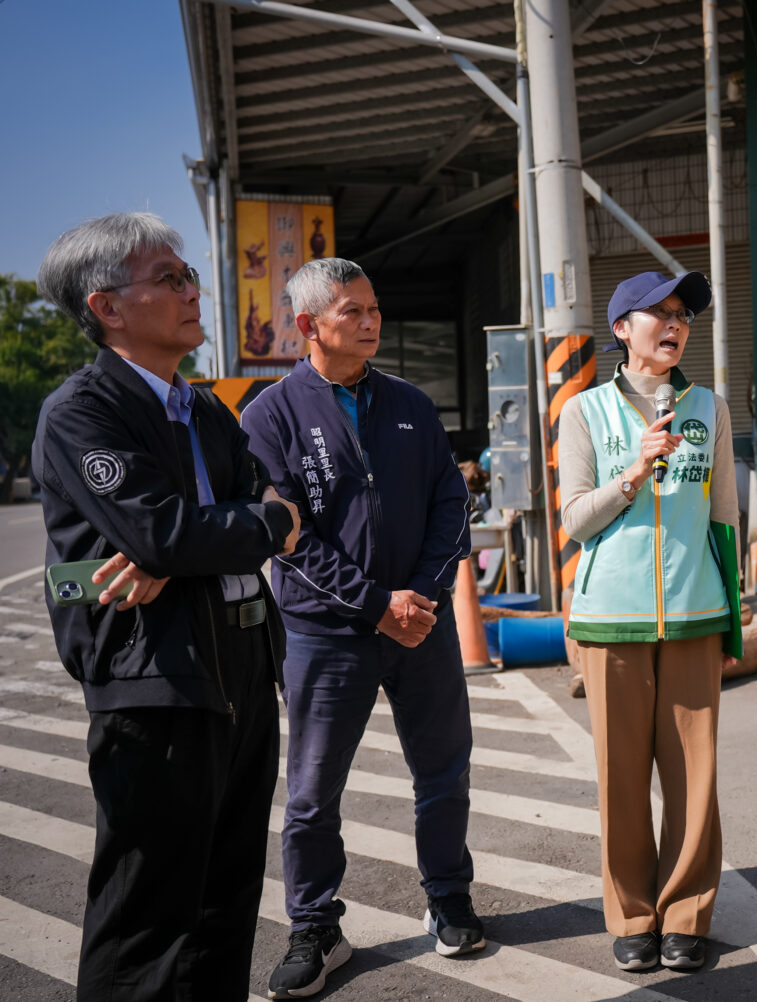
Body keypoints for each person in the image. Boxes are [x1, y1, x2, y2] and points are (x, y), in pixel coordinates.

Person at [32, 212, 300, 1000]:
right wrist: (249, 528)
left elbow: (266, 507)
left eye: (189, 276)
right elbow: (169, 531)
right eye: (171, 279)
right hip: (156, 683)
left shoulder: (208, 409)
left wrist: (242, 529)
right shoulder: (84, 411)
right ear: (107, 306)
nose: (193, 292)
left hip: (244, 671)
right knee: (149, 918)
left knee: (226, 904)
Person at [240, 258, 480, 999]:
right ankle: (316, 927)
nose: (372, 321)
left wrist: (422, 598)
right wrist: (375, 603)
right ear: (309, 326)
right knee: (313, 792)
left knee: (443, 771)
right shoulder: (269, 416)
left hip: (423, 622)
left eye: (375, 308)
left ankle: (449, 899)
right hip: (324, 633)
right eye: (354, 311)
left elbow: (452, 504)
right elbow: (286, 537)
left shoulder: (409, 401)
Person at [559, 270, 742, 973]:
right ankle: (633, 914)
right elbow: (575, 521)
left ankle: (688, 914)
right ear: (622, 329)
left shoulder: (711, 410)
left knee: (695, 777)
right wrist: (634, 472)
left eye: (683, 315)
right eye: (658, 314)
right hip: (611, 623)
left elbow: (724, 517)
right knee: (622, 777)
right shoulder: (585, 414)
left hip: (696, 615)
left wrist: (730, 620)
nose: (675, 325)